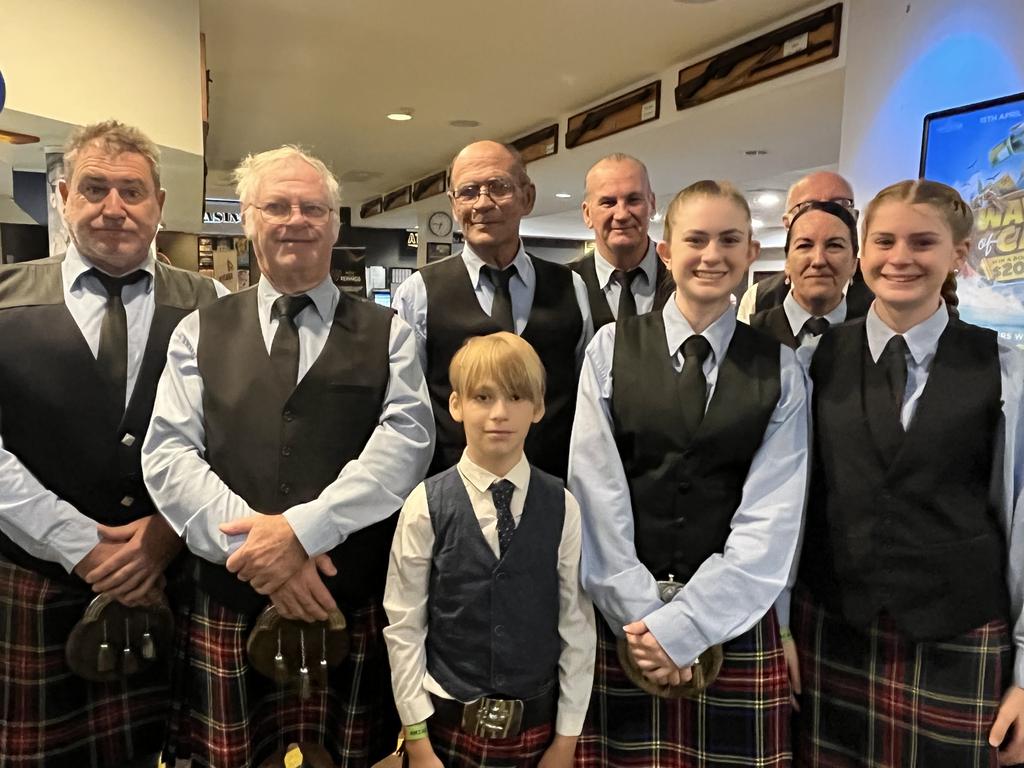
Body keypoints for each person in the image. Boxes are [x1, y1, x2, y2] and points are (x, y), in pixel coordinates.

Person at [142, 145, 435, 767]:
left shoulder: (392, 335)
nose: (295, 219)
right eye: (276, 205)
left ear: (334, 223)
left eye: (313, 207)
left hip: (343, 598)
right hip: (230, 593)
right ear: (248, 219)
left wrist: (301, 533)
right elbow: (169, 453)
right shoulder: (197, 329)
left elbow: (405, 445)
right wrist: (260, 555)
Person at [0, 119, 224, 767]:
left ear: (160, 205)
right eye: (95, 188)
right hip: (37, 579)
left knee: (170, 750)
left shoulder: (210, 302)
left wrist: (166, 532)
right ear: (63, 196)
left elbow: (229, 435)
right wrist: (77, 545)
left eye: (133, 191)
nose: (113, 208)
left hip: (171, 578)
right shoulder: (5, 299)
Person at [569, 180, 809, 766]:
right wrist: (647, 623)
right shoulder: (608, 348)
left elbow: (772, 517)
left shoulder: (780, 367)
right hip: (622, 622)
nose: (712, 255)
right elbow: (595, 494)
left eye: (730, 240)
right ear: (666, 250)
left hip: (730, 622)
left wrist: (690, 626)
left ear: (752, 252)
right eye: (695, 239)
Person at [791, 179, 1024, 767]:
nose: (900, 258)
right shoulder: (813, 361)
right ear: (863, 251)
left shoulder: (1005, 369)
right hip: (833, 624)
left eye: (923, 242)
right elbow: (791, 506)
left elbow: (1022, 520)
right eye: (884, 240)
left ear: (959, 255)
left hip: (957, 630)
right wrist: (781, 626)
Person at [383, 332, 596, 767]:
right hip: (444, 730)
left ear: (538, 408)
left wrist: (566, 740)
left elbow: (576, 625)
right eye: (482, 396)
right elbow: (404, 627)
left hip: (538, 728)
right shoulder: (425, 505)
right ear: (456, 405)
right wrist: (418, 741)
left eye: (516, 397)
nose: (499, 413)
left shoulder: (562, 505)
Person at [393, 140, 592, 481]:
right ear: (454, 205)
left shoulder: (570, 288)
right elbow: (408, 410)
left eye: (498, 187)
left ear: (527, 197)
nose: (483, 203)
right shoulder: (419, 293)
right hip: (454, 498)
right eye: (468, 191)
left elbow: (586, 401)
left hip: (552, 494)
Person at [737, 171, 872, 323]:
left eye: (839, 205)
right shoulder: (758, 298)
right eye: (808, 206)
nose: (823, 215)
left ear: (854, 217)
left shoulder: (880, 296)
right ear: (787, 223)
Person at [570, 153, 674, 327]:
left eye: (634, 200)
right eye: (608, 202)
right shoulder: (563, 286)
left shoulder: (683, 278)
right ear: (587, 214)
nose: (622, 214)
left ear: (652, 204)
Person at [750, 201, 860, 348]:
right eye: (805, 246)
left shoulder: (876, 340)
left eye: (834, 245)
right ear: (787, 262)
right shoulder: (747, 336)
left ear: (854, 263)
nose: (818, 260)